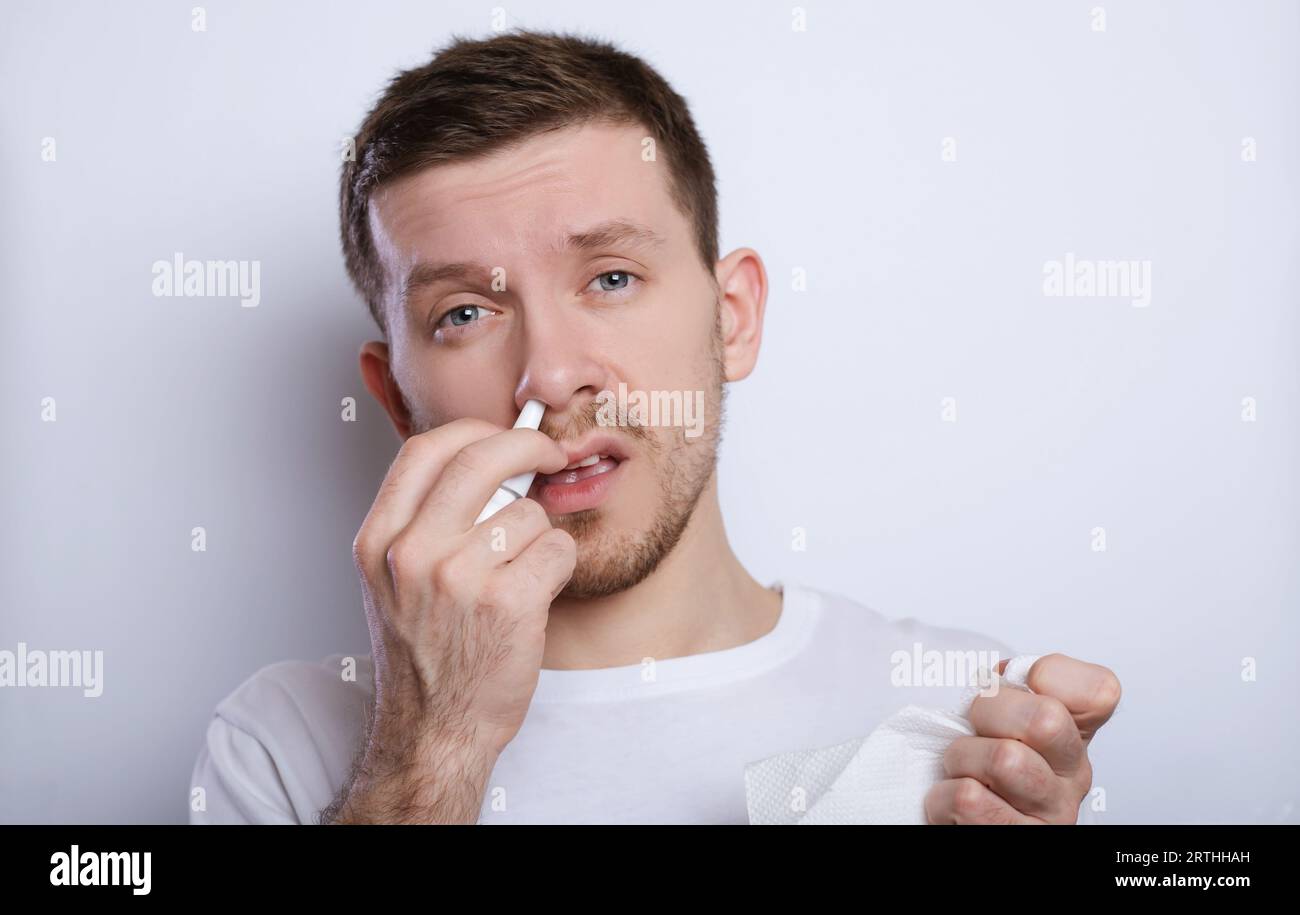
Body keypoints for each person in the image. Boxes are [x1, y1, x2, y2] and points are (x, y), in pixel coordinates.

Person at [189, 29, 1120, 825]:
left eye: (610, 278)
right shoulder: (282, 746)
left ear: (732, 319)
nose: (551, 374)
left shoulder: (961, 712)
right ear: (394, 399)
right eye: (465, 312)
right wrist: (433, 750)